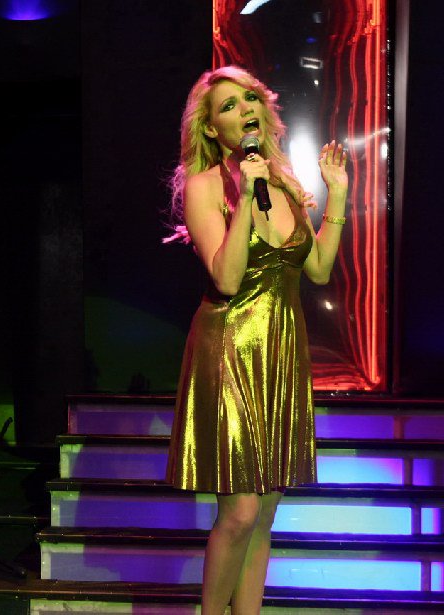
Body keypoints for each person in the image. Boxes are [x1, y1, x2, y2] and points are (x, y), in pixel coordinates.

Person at [165, 66, 348, 614]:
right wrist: (245, 196)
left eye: (249, 98)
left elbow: (317, 269)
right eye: (227, 106)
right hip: (230, 345)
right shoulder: (204, 185)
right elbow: (226, 278)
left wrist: (337, 195)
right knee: (240, 511)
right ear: (211, 128)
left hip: (281, 348)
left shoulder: (286, 182)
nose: (244, 109)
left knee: (265, 511)